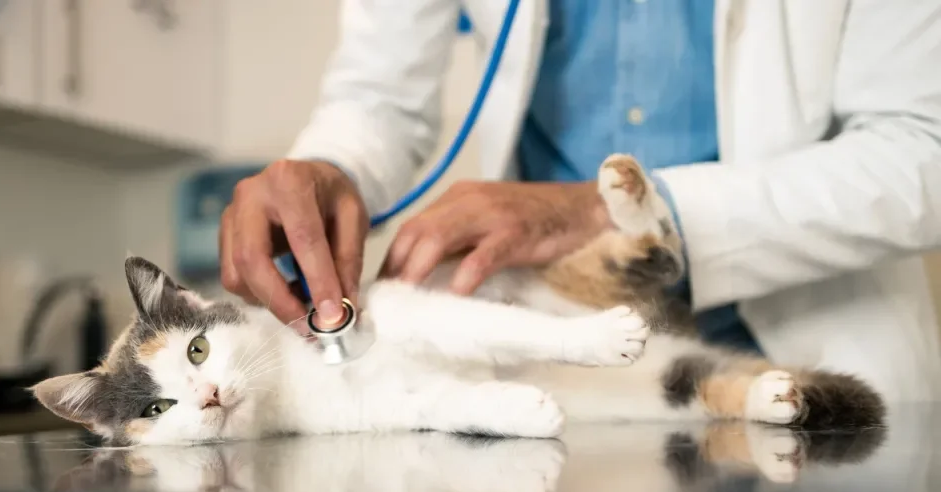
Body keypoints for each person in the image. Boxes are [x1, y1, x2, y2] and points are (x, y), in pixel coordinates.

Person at [218, 1, 941, 402]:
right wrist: (328, 165)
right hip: (556, 370)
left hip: (805, 349)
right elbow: (378, 97)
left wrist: (609, 212)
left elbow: (922, 146)